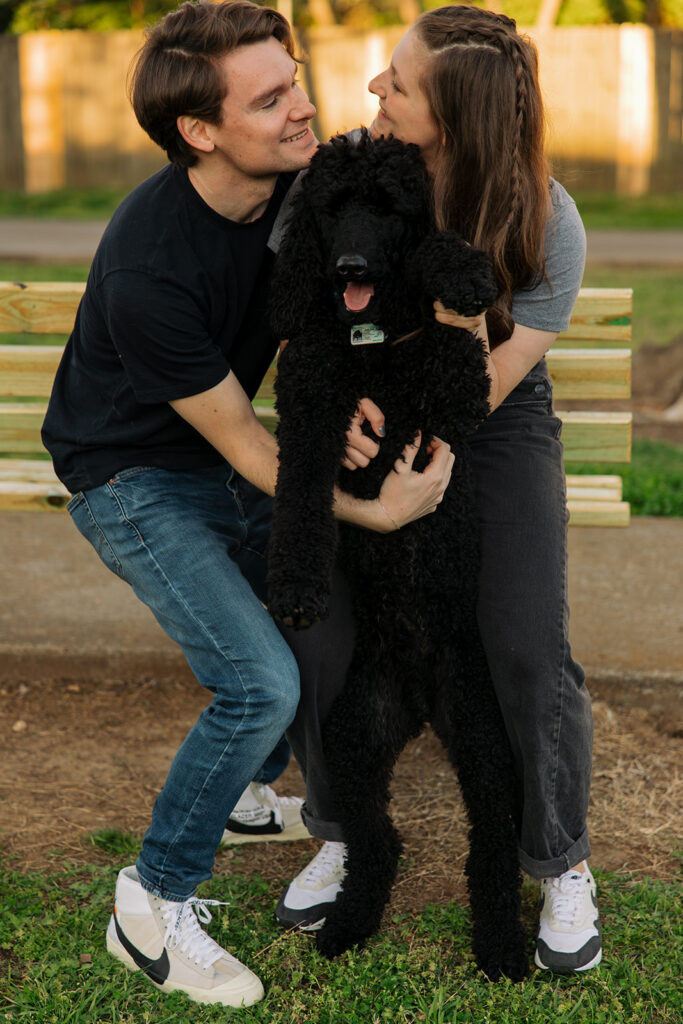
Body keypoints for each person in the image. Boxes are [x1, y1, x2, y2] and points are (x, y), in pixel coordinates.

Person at [40, 0, 454, 1008]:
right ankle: (153, 902)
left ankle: (253, 791)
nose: (304, 108)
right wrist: (375, 511)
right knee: (258, 679)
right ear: (199, 131)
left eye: (297, 76)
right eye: (270, 99)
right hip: (134, 479)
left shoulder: (298, 192)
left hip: (221, 457)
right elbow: (242, 443)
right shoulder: (151, 267)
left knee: (330, 606)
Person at [275, 4, 602, 976]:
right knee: (316, 622)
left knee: (521, 639)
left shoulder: (545, 219)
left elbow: (476, 395)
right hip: (357, 390)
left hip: (483, 413)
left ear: (450, 123)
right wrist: (341, 426)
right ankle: (342, 826)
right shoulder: (334, 180)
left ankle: (557, 859)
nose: (373, 89)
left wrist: (405, 451)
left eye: (397, 82)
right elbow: (307, 324)